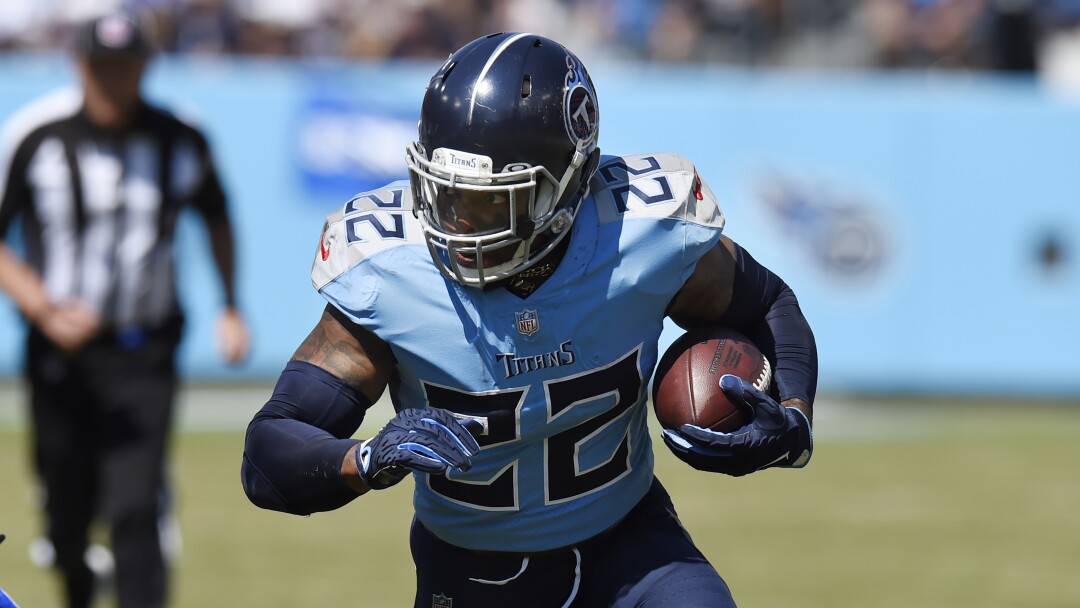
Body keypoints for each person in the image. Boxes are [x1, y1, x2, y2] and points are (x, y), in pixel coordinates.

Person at [241, 32, 816, 607]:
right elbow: (269, 453)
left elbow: (768, 305)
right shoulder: (392, 272)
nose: (456, 225)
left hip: (635, 548)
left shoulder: (645, 234)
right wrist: (363, 459)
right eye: (443, 195)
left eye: (488, 202)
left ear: (566, 185)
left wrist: (790, 421)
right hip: (473, 577)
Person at [0, 11, 250, 608]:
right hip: (59, 354)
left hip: (144, 349)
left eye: (126, 67)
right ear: (79, 67)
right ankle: (77, 579)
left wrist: (231, 306)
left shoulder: (179, 137)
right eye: (102, 68)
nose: (114, 81)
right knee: (66, 508)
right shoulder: (38, 135)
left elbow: (217, 216)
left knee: (136, 504)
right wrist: (42, 308)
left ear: (146, 68)